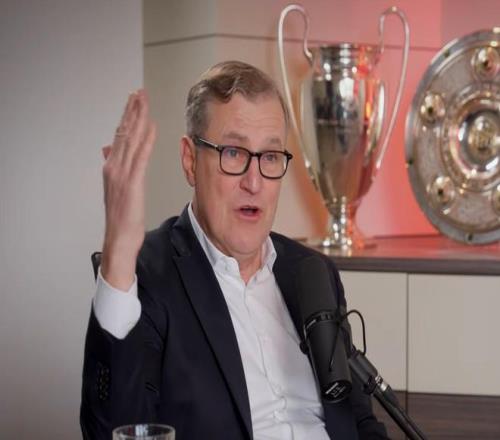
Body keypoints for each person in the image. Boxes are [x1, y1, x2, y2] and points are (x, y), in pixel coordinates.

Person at [80, 61, 388, 440]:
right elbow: (114, 430)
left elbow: (359, 422)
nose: (254, 182)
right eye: (233, 153)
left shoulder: (311, 272)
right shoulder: (145, 275)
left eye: (270, 156)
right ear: (190, 161)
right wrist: (119, 253)